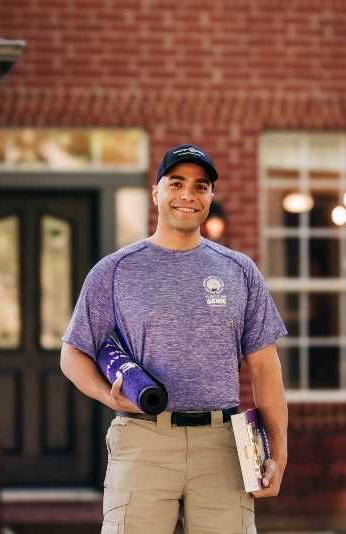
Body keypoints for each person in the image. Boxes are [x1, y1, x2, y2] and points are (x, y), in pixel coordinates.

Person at [60, 144, 288, 534]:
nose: (188, 195)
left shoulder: (240, 271)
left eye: (201, 186)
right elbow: (73, 353)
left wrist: (278, 455)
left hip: (223, 446)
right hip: (143, 439)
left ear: (210, 197)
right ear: (156, 192)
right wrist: (105, 394)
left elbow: (265, 368)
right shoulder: (115, 271)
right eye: (176, 183)